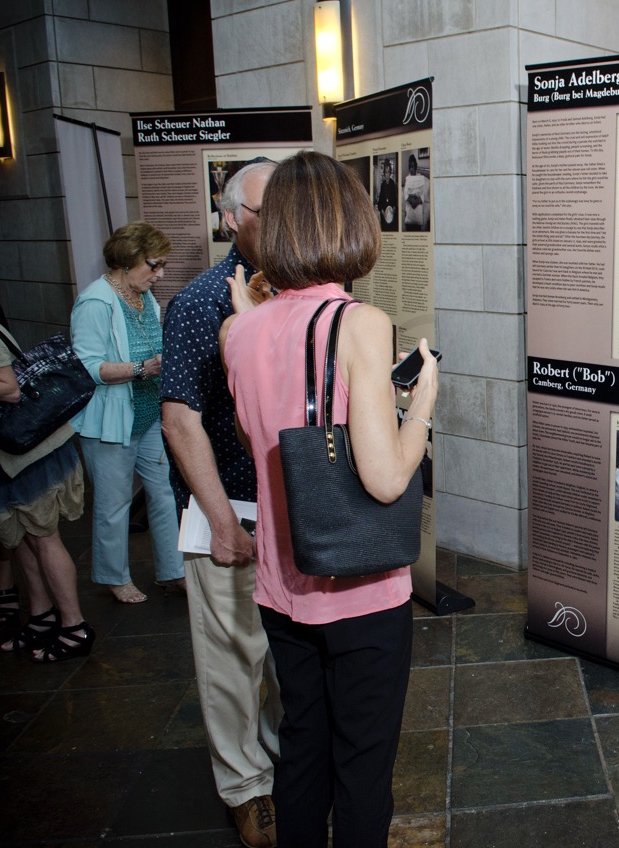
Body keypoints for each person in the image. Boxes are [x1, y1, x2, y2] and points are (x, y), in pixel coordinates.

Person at [221, 150, 438, 847]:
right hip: (360, 589)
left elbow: (259, 435)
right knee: (364, 762)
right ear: (349, 224)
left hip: (282, 582)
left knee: (303, 742)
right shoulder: (361, 325)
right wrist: (422, 407)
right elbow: (384, 478)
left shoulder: (240, 330)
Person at [161, 159, 281, 848]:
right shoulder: (202, 302)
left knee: (284, 659)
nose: (285, 222)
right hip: (230, 508)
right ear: (232, 217)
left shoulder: (303, 292)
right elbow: (181, 421)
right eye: (269, 210)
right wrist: (219, 520)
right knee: (233, 661)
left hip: (294, 512)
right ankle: (246, 790)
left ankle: (275, 761)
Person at [70, 222, 184, 604]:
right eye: (154, 265)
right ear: (128, 259)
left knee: (164, 493)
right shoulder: (95, 301)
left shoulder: (143, 296)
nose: (160, 274)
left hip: (149, 413)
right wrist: (140, 368)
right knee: (113, 503)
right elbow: (86, 368)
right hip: (111, 422)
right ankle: (114, 577)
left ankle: (172, 571)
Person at [0, 319, 91, 661]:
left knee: (44, 538)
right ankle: (41, 615)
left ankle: (74, 626)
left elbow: (8, 389)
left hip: (27, 450)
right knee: (19, 539)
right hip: (5, 454)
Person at [402, 153, 430, 232]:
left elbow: (423, 193)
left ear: (416, 167)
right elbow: (406, 195)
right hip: (410, 207)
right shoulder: (407, 179)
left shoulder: (421, 178)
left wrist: (417, 201)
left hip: (418, 206)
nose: (411, 169)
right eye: (410, 167)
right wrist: (412, 200)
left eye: (413, 166)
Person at [376, 157, 398, 230]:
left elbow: (395, 200)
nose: (387, 174)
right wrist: (382, 211)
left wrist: (393, 209)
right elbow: (380, 202)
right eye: (386, 172)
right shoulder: (382, 185)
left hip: (391, 213)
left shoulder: (393, 184)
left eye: (388, 172)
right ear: (384, 174)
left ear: (390, 173)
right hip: (384, 214)